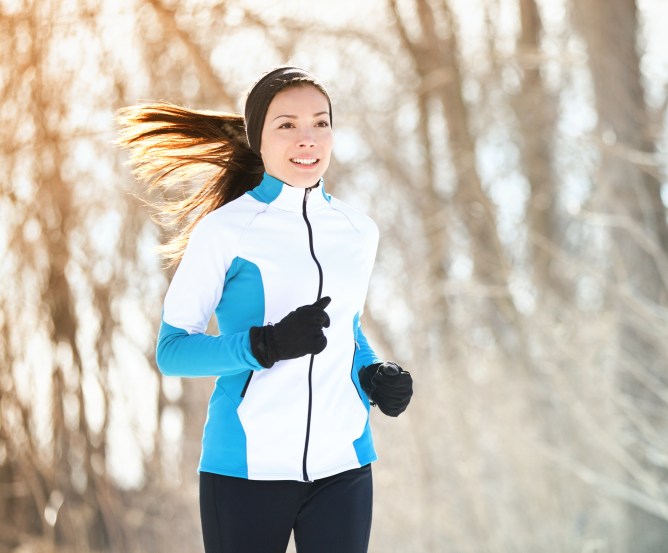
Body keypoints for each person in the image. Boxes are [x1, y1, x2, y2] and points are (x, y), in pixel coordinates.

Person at [117, 66, 413, 553]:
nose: (307, 138)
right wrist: (266, 345)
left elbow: (346, 331)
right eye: (287, 125)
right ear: (258, 138)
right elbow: (172, 351)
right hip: (246, 469)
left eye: (321, 122)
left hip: (344, 464)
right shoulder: (225, 231)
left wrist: (374, 373)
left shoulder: (358, 231)